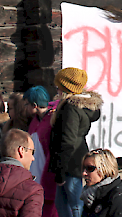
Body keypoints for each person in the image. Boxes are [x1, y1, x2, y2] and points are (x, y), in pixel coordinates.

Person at [50, 68, 103, 217]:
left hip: (71, 162)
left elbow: (68, 141)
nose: (57, 89)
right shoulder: (73, 106)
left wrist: (60, 171)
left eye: (59, 85)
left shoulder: (71, 108)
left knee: (74, 204)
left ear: (66, 87)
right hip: (71, 160)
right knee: (61, 203)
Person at [25, 85, 59, 217]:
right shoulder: (34, 121)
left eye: (26, 104)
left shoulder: (52, 120)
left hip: (48, 172)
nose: (25, 108)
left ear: (34, 105)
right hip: (34, 172)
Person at [81, 148, 122, 217]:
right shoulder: (91, 194)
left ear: (104, 169)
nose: (84, 173)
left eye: (90, 168)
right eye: (83, 168)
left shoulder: (119, 196)